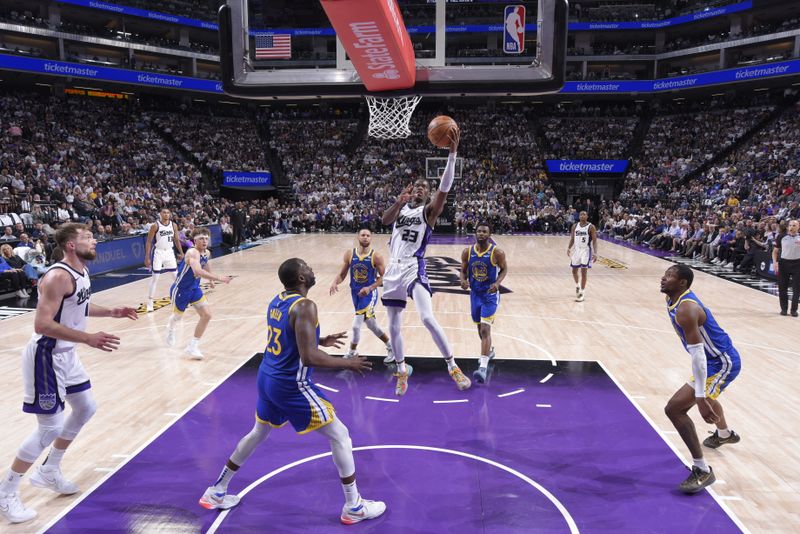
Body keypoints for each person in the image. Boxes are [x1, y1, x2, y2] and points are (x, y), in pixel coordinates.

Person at [198, 258, 385, 525]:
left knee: (258, 432)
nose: (311, 269)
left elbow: (288, 335)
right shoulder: (306, 305)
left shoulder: (277, 300)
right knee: (341, 435)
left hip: (267, 377)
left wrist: (320, 339)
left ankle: (216, 490)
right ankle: (354, 506)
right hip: (290, 384)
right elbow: (309, 358)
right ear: (300, 278)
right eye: (307, 267)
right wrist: (348, 362)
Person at [0, 223, 137, 524]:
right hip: (46, 356)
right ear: (71, 245)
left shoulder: (81, 272)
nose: (95, 240)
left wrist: (112, 312)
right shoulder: (57, 276)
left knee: (86, 407)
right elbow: (42, 324)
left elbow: (80, 307)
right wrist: (88, 338)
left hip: (67, 355)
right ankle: (6, 490)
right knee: (49, 428)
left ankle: (49, 470)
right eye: (88, 237)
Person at [380, 125, 471, 396]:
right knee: (393, 325)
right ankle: (401, 370)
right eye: (417, 186)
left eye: (424, 188)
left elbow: (444, 188)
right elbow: (384, 220)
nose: (420, 189)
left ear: (427, 194)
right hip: (393, 268)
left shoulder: (429, 211)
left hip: (413, 267)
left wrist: (452, 155)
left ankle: (453, 367)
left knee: (427, 317)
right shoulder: (400, 209)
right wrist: (398, 201)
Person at [661, 264, 742, 495]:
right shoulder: (674, 299)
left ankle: (702, 470)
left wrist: (700, 397)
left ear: (682, 283)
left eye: (669, 276)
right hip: (712, 359)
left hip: (721, 361)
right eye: (665, 274)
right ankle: (725, 434)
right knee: (704, 397)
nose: (663, 279)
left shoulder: (687, 309)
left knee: (675, 409)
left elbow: (699, 356)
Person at [329, 228, 394, 364]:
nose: (365, 237)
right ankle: (391, 346)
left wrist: (370, 288)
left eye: (368, 235)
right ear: (358, 237)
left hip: (369, 294)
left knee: (356, 325)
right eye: (363, 235)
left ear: (371, 238)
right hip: (355, 293)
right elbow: (342, 274)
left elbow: (384, 278)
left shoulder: (376, 256)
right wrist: (335, 282)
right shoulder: (349, 254)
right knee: (371, 325)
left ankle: (352, 352)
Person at [166, 227, 231, 359]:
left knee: (207, 315)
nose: (204, 241)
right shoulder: (192, 252)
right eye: (201, 238)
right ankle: (170, 329)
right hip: (181, 289)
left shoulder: (206, 252)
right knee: (177, 317)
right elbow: (197, 271)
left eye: (206, 238)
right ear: (194, 240)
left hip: (194, 288)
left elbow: (205, 265)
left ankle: (192, 346)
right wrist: (218, 278)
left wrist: (211, 279)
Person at [460, 223, 507, 384]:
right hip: (475, 294)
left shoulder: (497, 252)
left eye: (484, 232)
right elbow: (463, 269)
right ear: (475, 233)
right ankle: (489, 351)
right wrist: (462, 280)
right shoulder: (468, 252)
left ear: (489, 234)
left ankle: (483, 368)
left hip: (490, 295)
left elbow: (504, 269)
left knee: (486, 329)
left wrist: (498, 283)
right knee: (480, 330)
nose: (481, 234)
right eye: (479, 231)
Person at [144, 208, 185, 312]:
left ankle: (180, 300)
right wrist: (147, 257)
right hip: (158, 252)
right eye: (164, 212)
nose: (166, 214)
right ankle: (150, 303)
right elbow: (148, 242)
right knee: (155, 278)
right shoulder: (155, 226)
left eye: (168, 212)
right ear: (160, 214)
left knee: (176, 277)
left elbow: (176, 240)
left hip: (170, 252)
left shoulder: (173, 225)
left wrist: (181, 252)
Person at [567, 211, 597, 302]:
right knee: (574, 271)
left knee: (584, 272)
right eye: (581, 214)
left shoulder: (591, 227)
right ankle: (578, 286)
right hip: (576, 250)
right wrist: (569, 248)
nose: (582, 215)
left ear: (587, 216)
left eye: (584, 214)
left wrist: (595, 253)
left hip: (585, 251)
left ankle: (582, 293)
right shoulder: (574, 226)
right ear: (579, 216)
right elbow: (572, 238)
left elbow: (595, 241)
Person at [772, 219, 800, 317]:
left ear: (798, 227)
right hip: (784, 263)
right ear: (788, 227)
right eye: (790, 225)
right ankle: (784, 309)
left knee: (797, 289)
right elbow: (775, 251)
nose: (791, 227)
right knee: (782, 288)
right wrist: (775, 262)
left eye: (794, 225)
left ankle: (794, 310)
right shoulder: (781, 236)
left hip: (797, 264)